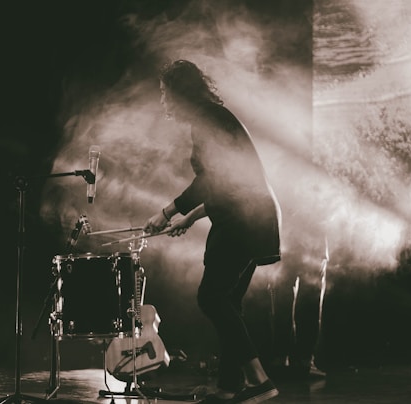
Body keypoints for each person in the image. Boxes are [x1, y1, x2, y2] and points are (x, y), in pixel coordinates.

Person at [143, 59, 282, 404]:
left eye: (164, 93)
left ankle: (260, 381)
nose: (162, 101)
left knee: (212, 297)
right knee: (228, 301)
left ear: (180, 92)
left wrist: (168, 210)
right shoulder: (211, 118)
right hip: (249, 217)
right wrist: (189, 218)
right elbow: (227, 183)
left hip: (244, 221)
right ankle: (230, 387)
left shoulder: (207, 120)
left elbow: (211, 179)